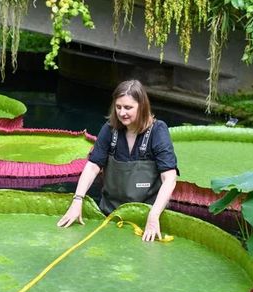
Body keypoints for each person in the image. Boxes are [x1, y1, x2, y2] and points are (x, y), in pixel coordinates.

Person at [57, 80, 178, 241]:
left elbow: (169, 178)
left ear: (142, 107)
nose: (122, 113)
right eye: (118, 107)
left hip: (146, 215)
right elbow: (93, 167)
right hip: (110, 214)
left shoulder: (158, 131)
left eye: (128, 108)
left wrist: (154, 215)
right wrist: (77, 200)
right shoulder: (109, 129)